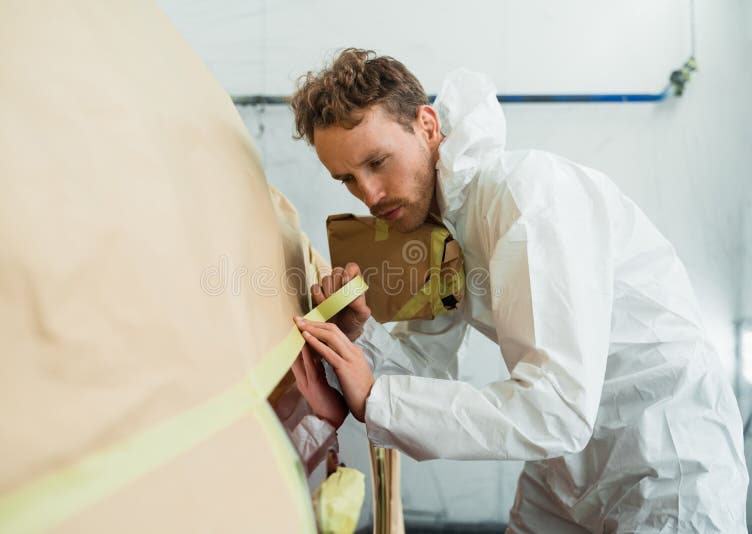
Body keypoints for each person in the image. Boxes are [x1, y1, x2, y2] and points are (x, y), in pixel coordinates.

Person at [288, 48, 748, 532]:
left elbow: (558, 408)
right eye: (348, 180)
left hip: (666, 467)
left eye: (377, 162)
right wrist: (357, 338)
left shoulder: (527, 198)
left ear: (426, 124)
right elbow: (427, 368)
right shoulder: (442, 227)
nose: (371, 195)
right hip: (565, 474)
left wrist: (378, 400)